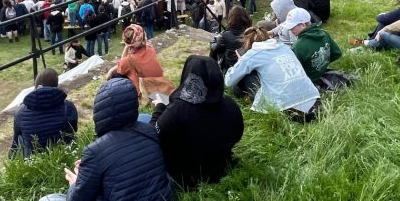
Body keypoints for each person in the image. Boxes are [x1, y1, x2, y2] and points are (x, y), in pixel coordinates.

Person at [39, 78, 172, 201]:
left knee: (48, 199)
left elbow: (76, 199)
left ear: (99, 109)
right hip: (162, 197)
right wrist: (91, 167)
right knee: (144, 117)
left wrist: (75, 182)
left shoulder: (94, 151)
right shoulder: (151, 130)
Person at [150, 55, 244, 190]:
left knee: (144, 119)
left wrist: (159, 107)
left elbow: (153, 135)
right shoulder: (230, 104)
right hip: (222, 168)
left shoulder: (178, 109)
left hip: (185, 178)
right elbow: (237, 134)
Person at [224, 27, 320, 121]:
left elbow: (229, 81)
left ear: (248, 43)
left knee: (246, 75)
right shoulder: (285, 47)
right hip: (315, 103)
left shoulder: (253, 54)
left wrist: (240, 62)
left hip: (286, 109)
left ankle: (248, 97)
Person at [11, 68, 78, 159]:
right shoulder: (68, 106)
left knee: (19, 137)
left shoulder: (20, 112)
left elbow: (15, 141)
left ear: (36, 86)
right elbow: (74, 129)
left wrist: (11, 157)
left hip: (34, 158)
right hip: (63, 153)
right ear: (56, 85)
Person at [284, 8, 342, 83]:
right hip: (322, 72)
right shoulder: (324, 33)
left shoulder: (297, 47)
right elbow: (337, 53)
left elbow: (294, 75)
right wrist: (323, 65)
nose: (290, 30)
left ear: (303, 25)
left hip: (309, 82)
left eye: (292, 27)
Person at [106, 24, 164, 96]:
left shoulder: (129, 60)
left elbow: (120, 67)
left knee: (116, 74)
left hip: (146, 93)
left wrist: (126, 47)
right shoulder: (150, 48)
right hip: (161, 85)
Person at [210, 6, 252, 73]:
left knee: (215, 47)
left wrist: (213, 42)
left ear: (231, 18)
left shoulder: (226, 35)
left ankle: (212, 69)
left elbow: (216, 49)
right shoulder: (251, 32)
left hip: (231, 66)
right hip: (248, 65)